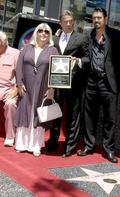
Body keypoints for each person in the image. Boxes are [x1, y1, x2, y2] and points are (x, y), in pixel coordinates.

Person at [77, 7, 120, 163]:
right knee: (89, 116)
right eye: (94, 18)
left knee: (110, 118)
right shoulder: (88, 34)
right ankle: (88, 146)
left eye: (99, 17)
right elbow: (78, 48)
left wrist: (114, 71)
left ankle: (109, 149)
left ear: (105, 19)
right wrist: (59, 34)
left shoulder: (116, 35)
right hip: (91, 81)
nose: (96, 20)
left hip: (108, 82)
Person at [46, 10, 88, 157]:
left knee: (72, 115)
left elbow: (88, 58)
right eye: (66, 21)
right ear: (61, 23)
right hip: (57, 83)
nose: (69, 24)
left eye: (71, 21)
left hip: (73, 84)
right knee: (55, 114)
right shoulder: (54, 39)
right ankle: (52, 142)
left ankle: (69, 146)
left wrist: (78, 61)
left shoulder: (81, 38)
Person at [15, 23, 59, 156]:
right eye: (40, 31)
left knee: (38, 116)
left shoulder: (53, 50)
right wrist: (18, 82)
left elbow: (56, 71)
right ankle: (21, 144)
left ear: (49, 35)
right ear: (36, 33)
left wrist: (52, 88)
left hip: (42, 88)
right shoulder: (27, 48)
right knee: (24, 113)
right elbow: (18, 66)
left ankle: (36, 146)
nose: (43, 34)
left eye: (46, 32)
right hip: (26, 87)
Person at [0, 31, 19, 147]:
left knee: (11, 104)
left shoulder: (15, 53)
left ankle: (10, 136)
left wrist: (16, 89)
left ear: (2, 42)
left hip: (9, 89)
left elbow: (22, 75)